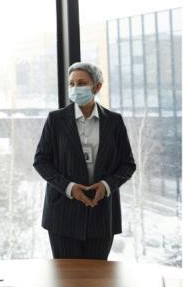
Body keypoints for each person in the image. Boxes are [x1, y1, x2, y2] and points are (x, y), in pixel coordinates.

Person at [33, 61, 136, 260]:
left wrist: (106, 186)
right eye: (72, 84)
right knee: (66, 281)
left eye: (81, 83)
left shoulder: (114, 121)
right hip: (62, 213)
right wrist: (70, 187)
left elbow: (128, 164)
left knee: (96, 282)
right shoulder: (56, 120)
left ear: (97, 87)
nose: (75, 88)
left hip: (102, 213)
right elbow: (41, 161)